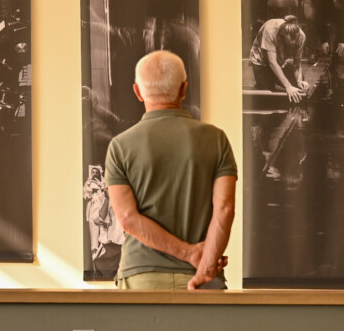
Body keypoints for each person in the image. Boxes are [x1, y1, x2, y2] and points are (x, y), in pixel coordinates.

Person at [106, 50, 237, 291]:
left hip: (142, 277)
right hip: (202, 277)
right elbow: (225, 208)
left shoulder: (120, 146)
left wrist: (188, 253)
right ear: (184, 89)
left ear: (137, 91)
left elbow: (127, 218)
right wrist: (206, 264)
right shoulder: (216, 139)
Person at [248, 16, 307, 102]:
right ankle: (264, 79)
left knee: (298, 87)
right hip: (261, 60)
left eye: (295, 40)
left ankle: (274, 77)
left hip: (280, 61)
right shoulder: (270, 30)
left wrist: (299, 81)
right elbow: (272, 62)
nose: (294, 42)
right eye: (291, 41)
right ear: (282, 34)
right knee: (268, 95)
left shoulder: (301, 36)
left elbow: (297, 62)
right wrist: (288, 86)